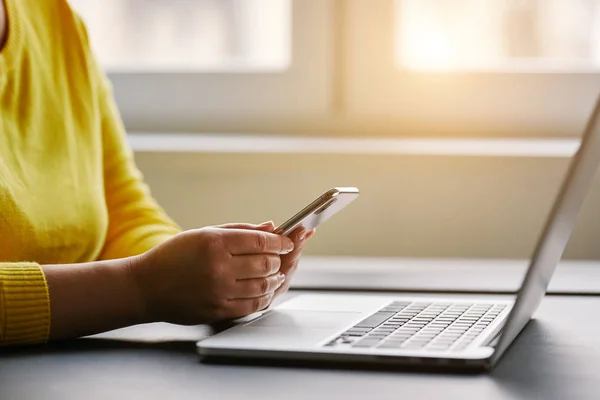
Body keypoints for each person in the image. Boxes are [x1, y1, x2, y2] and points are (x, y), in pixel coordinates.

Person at [0, 0, 314, 346]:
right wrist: (142, 287)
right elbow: (142, 284)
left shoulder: (54, 17)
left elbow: (125, 211)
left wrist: (214, 279)